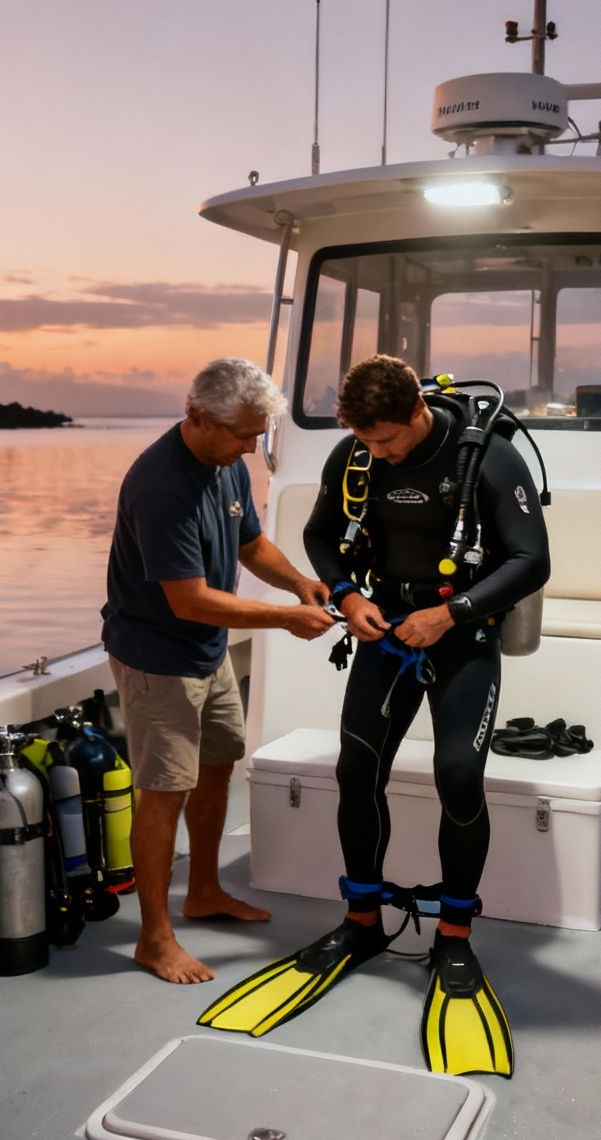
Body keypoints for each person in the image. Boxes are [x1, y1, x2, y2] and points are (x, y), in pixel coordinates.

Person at [197, 354, 549, 1078]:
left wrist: (451, 613)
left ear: (417, 411)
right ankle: (362, 921)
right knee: (356, 768)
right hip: (386, 630)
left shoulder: (487, 455)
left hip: (461, 634)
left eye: (386, 441)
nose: (377, 453)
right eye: (367, 441)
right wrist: (349, 595)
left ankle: (454, 933)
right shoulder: (354, 455)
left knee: (458, 774)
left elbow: (531, 559)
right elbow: (323, 534)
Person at [102, 357, 336, 984]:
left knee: (216, 765)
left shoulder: (225, 463)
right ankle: (154, 938)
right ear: (198, 416)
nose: (250, 448)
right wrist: (286, 619)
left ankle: (203, 889)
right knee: (163, 791)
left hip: (207, 650)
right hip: (159, 658)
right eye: (242, 435)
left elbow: (251, 542)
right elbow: (190, 598)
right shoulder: (161, 486)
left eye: (257, 436)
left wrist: (301, 584)